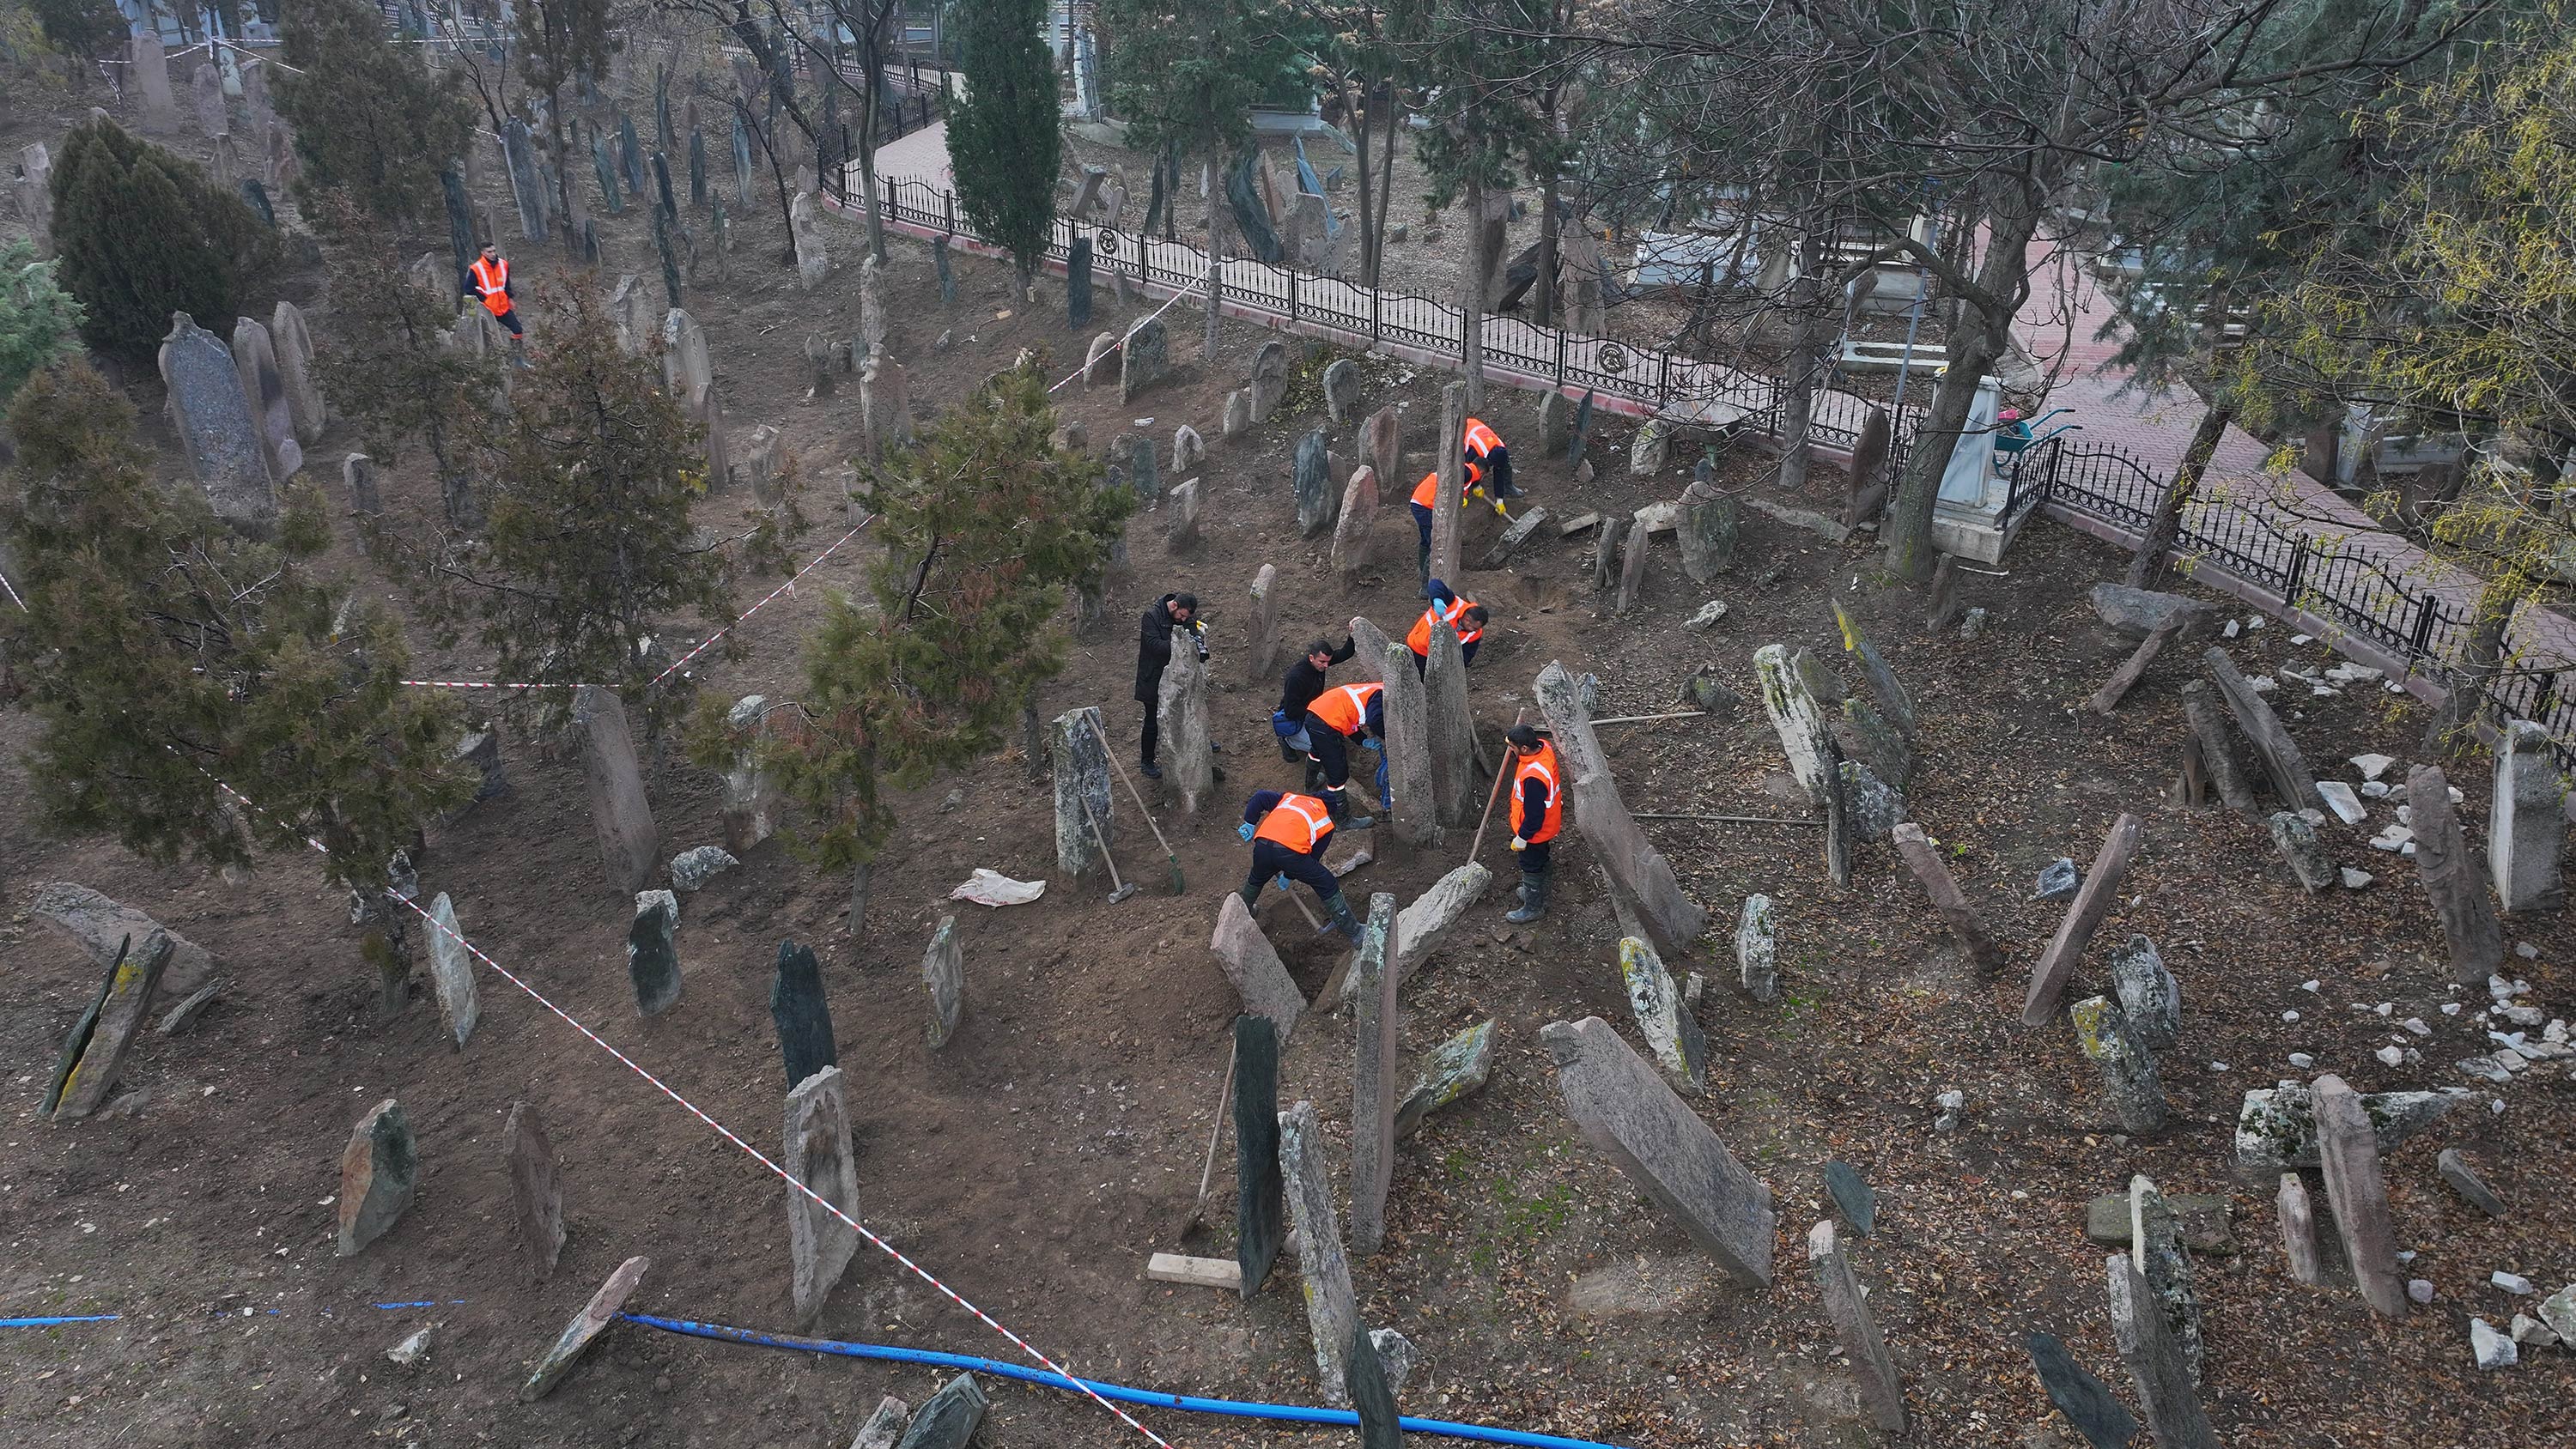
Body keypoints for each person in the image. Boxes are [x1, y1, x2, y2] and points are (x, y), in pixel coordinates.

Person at [1236, 789, 1364, 943]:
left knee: (1257, 877)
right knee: (1326, 882)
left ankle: (1245, 910)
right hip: (1289, 853)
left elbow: (1260, 797)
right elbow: (1312, 857)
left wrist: (1250, 822)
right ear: (1330, 811)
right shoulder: (1326, 823)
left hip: (1262, 845)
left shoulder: (1291, 799)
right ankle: (1356, 933)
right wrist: (1289, 875)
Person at [1133, 591, 1206, 779]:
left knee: (1188, 710)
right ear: (1174, 606)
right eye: (1181, 616)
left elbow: (1192, 630)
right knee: (1151, 721)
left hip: (1179, 674)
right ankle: (1147, 761)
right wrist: (1181, 644)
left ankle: (1196, 742)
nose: (1183, 620)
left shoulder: (1185, 616)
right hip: (1153, 676)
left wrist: (1195, 640)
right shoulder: (1151, 616)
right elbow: (1154, 645)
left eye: (1186, 617)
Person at [1302, 679, 1385, 827]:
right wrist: (1387, 737)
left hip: (1315, 714)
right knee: (1337, 773)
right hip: (1327, 725)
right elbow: (1374, 719)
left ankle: (1311, 784)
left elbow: (1350, 714)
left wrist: (1362, 740)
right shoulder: (1381, 695)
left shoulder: (1373, 688)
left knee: (1317, 750)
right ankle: (1343, 820)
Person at [1501, 723, 1562, 923]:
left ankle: (1534, 907)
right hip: (1547, 825)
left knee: (1530, 865)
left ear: (1524, 749)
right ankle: (1539, 892)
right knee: (1542, 858)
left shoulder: (1533, 778)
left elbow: (1535, 815)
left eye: (1513, 748)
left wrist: (1523, 837)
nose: (1511, 752)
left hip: (1535, 831)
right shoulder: (1543, 749)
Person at [1407, 466, 1499, 593]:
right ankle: (1425, 587)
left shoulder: (1462, 468)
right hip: (1426, 506)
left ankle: (1422, 572)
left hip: (1418, 502)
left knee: (1426, 540)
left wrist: (1474, 487)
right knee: (1435, 545)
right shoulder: (1468, 473)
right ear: (1482, 472)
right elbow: (1457, 485)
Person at [1273, 634, 1356, 763]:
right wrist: (1318, 712)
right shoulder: (1296, 678)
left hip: (1314, 711)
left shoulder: (1320, 664)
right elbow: (1290, 711)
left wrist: (1352, 635)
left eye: (1328, 662)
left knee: (1336, 736)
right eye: (1322, 662)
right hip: (1297, 718)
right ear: (1311, 658)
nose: (1326, 666)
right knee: (1324, 746)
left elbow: (1344, 653)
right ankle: (1288, 741)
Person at [1405, 579, 1487, 675]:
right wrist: (1438, 599)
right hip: (1417, 646)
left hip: (1438, 660)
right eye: (1472, 627)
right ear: (1467, 619)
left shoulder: (1475, 633)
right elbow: (1435, 583)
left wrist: (1454, 668)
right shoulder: (1453, 603)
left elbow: (1467, 654)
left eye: (1477, 628)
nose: (1473, 630)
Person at [468, 242, 525, 344]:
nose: (493, 254)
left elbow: (506, 284)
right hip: (487, 309)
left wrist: (510, 298)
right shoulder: (476, 269)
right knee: (490, 338)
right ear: (483, 253)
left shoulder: (503, 264)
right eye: (489, 252)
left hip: (503, 306)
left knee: (518, 330)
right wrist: (484, 300)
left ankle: (515, 353)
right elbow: (469, 289)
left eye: (494, 251)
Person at [1463, 415, 1518, 497]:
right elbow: (1467, 468)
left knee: (1506, 466)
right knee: (1464, 467)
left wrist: (1499, 499)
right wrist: (1476, 485)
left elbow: (1499, 472)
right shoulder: (1476, 451)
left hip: (1481, 433)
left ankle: (1508, 487)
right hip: (1466, 428)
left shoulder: (1501, 448)